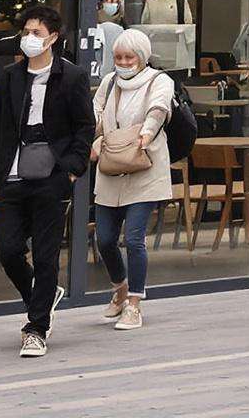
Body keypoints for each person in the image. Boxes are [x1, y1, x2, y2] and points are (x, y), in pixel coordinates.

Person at [0, 6, 95, 358]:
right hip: (12, 175)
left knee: (46, 256)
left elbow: (84, 127)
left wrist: (73, 168)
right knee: (8, 249)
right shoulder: (11, 76)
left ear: (53, 38)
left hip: (51, 177)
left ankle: (36, 327)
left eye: (37, 33)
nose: (30, 39)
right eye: (26, 32)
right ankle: (41, 295)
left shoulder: (71, 77)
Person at [89, 28, 174, 331]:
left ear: (142, 57)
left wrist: (146, 133)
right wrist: (93, 138)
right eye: (118, 57)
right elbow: (96, 113)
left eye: (129, 57)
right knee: (106, 239)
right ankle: (120, 289)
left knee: (134, 238)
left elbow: (158, 110)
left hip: (145, 166)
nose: (123, 62)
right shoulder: (110, 82)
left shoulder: (159, 81)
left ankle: (134, 304)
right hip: (112, 166)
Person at [89, 0, 126, 64]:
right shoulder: (92, 23)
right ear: (100, 3)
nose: (111, 4)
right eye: (108, 1)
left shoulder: (123, 29)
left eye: (114, 2)